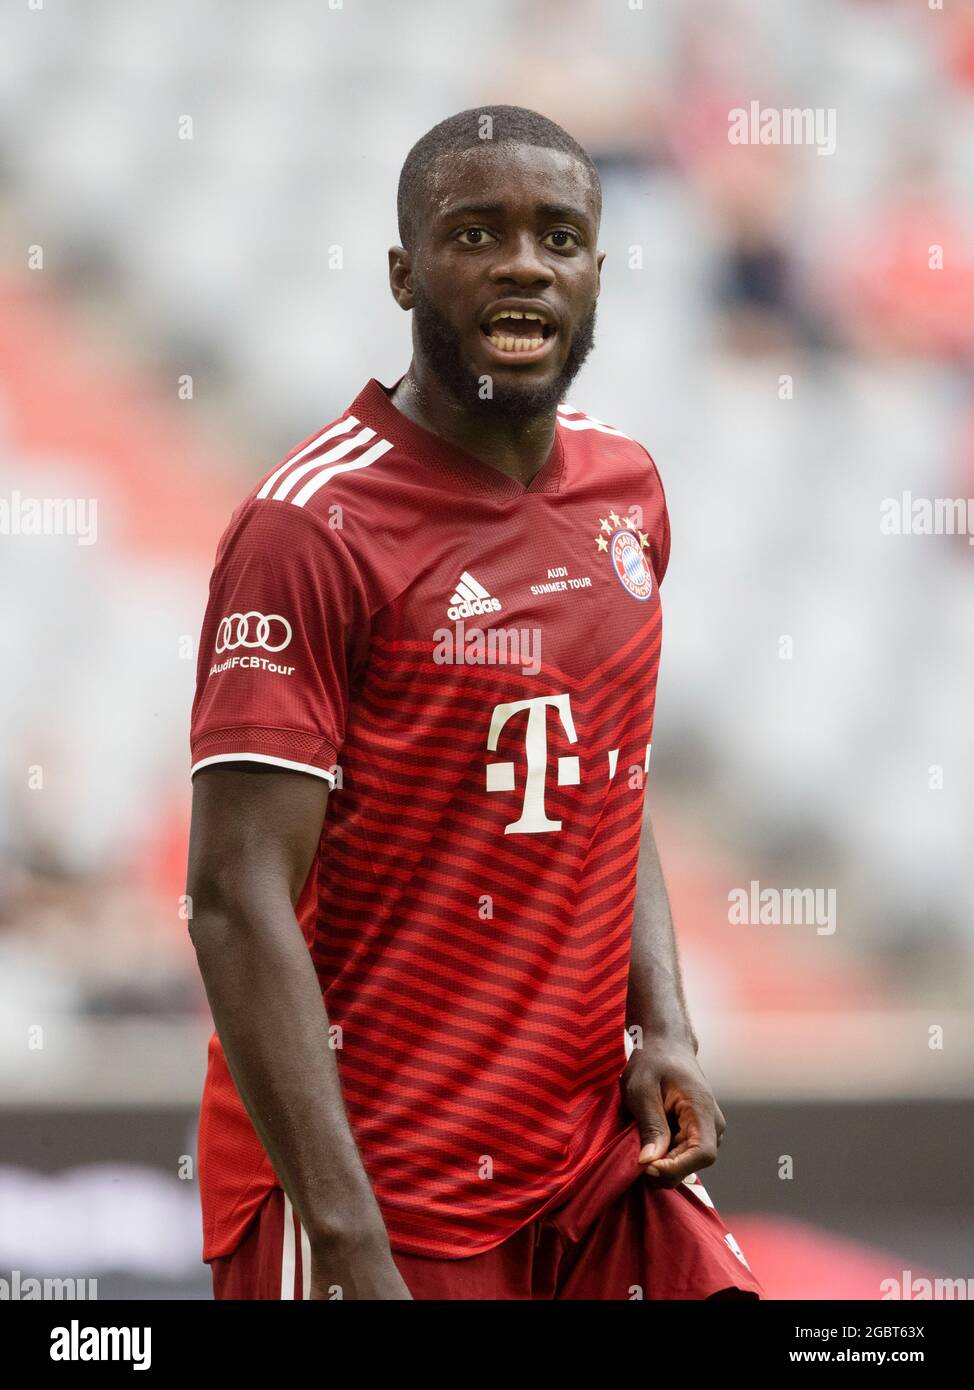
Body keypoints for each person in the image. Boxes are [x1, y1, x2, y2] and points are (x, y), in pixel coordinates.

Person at [186, 104, 762, 1301]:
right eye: (474, 232)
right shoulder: (309, 528)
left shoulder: (627, 493)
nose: (521, 262)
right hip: (374, 1185)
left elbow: (608, 772)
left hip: (585, 1164)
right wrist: (346, 1240)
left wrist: (662, 1026)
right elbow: (233, 897)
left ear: (596, 271)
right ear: (404, 271)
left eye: (558, 237)